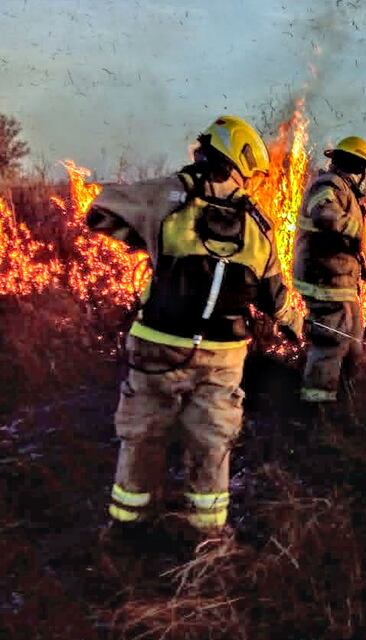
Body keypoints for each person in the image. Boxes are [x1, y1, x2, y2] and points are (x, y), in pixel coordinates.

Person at [86, 115, 303, 545]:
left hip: (158, 347)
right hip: (223, 359)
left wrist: (147, 239)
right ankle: (208, 544)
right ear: (242, 165)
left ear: (207, 151)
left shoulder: (167, 197)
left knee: (143, 437)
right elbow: (276, 295)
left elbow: (100, 212)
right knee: (213, 442)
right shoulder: (258, 226)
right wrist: (301, 328)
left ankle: (127, 533)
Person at [292, 136, 366, 414]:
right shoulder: (328, 185)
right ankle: (316, 412)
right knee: (330, 346)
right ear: (361, 168)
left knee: (354, 348)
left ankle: (346, 404)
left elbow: (342, 237)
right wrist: (354, 234)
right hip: (324, 283)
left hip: (342, 284)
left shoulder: (345, 190)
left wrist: (361, 260)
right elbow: (325, 216)